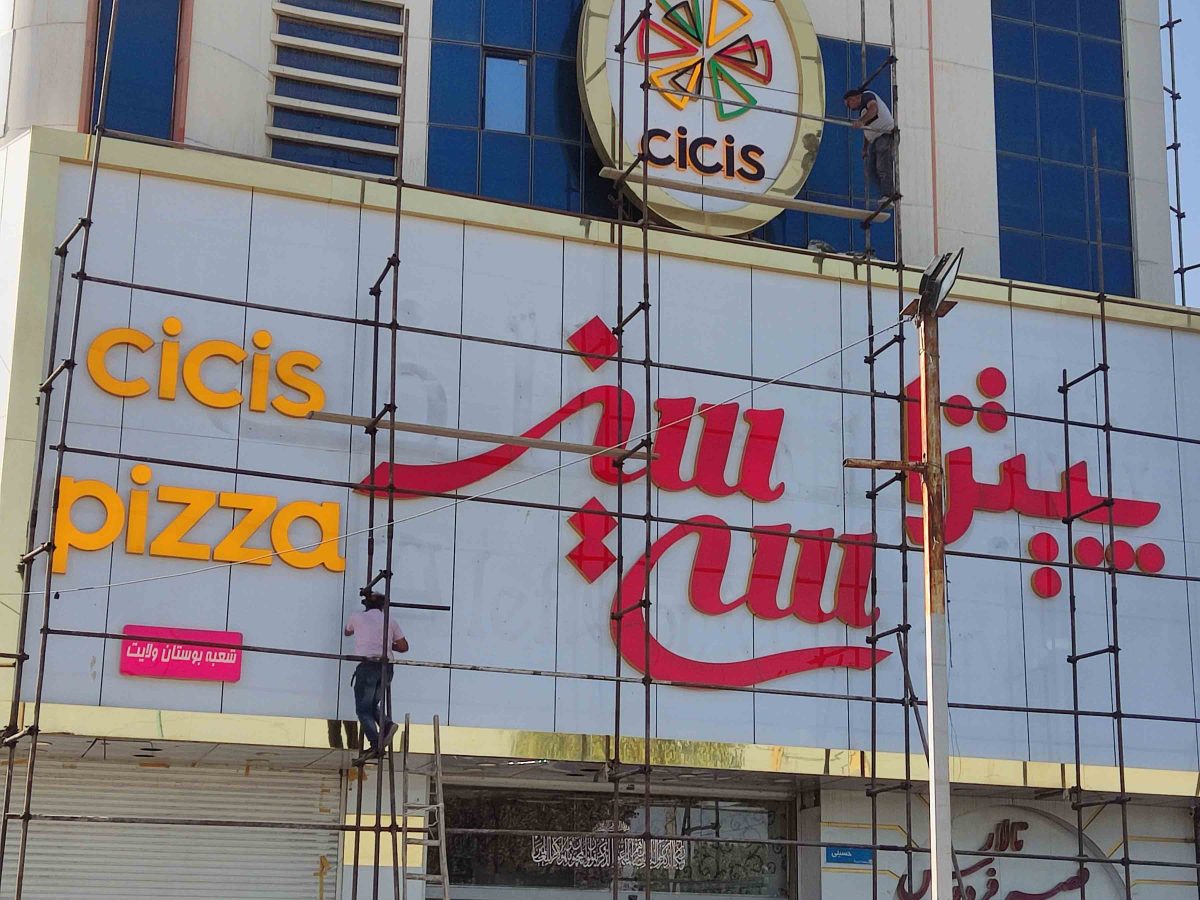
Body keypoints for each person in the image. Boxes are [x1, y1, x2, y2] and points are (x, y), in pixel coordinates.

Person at [345, 591, 408, 764]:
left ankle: (376, 743)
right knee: (372, 705)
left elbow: (347, 632)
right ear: (383, 606)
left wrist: (368, 638)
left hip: (368, 666)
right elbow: (403, 647)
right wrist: (385, 643)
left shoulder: (357, 617)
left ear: (365, 604)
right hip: (386, 667)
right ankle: (387, 725)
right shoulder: (390, 621)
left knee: (363, 709)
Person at [844, 87, 898, 203]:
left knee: (882, 165)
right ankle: (886, 191)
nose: (849, 107)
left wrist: (861, 121)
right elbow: (867, 130)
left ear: (854, 98)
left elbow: (874, 109)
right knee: (871, 169)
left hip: (885, 133)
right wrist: (865, 148)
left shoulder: (867, 96)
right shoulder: (863, 113)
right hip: (875, 139)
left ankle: (888, 194)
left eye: (848, 103)